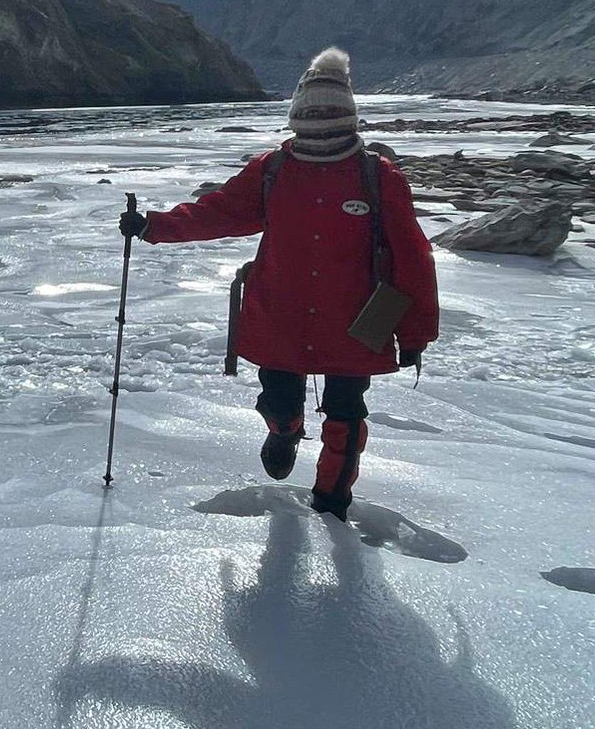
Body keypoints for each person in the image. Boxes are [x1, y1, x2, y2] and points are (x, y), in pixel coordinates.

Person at [118, 47, 439, 519]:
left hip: (355, 320)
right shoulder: (274, 170)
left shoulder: (378, 178)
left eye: (329, 114)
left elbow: (413, 256)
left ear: (349, 117)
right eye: (312, 114)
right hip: (282, 315)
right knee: (279, 398)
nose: (320, 122)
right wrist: (153, 225)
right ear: (295, 117)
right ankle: (285, 430)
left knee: (346, 416)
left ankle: (331, 502)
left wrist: (414, 333)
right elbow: (221, 211)